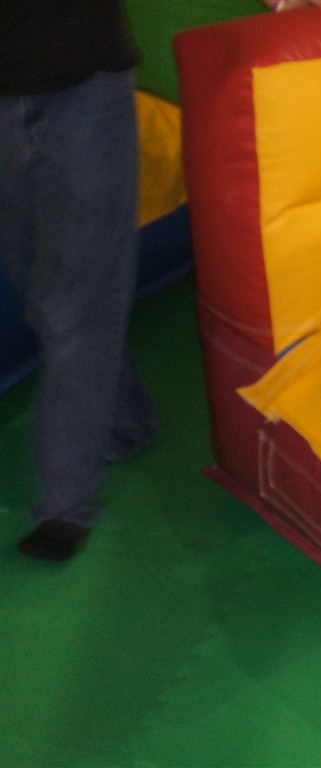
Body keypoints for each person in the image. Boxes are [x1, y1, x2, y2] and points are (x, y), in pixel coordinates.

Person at [0, 0, 158, 561]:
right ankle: (126, 420)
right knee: (38, 289)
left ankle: (66, 501)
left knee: (74, 304)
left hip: (83, 83)